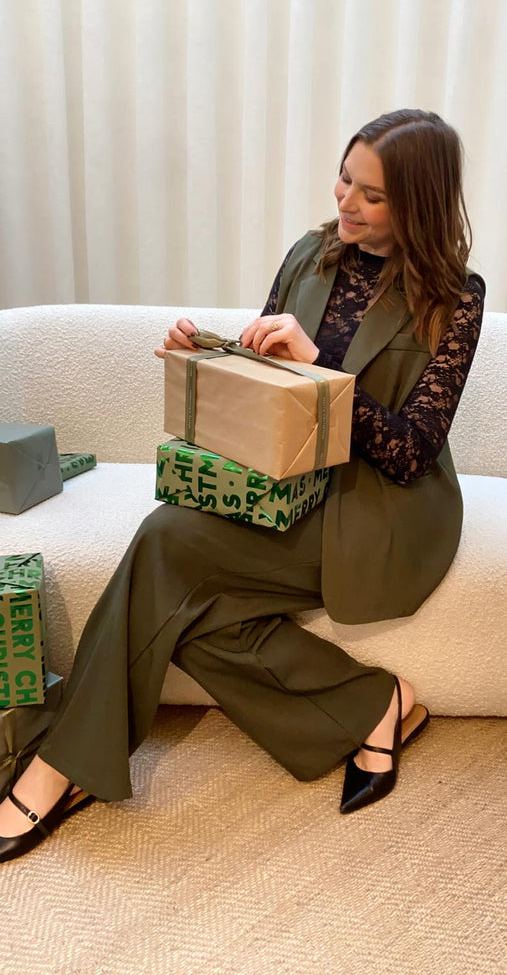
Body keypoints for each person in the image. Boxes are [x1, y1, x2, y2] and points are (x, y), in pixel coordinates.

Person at [0, 108, 485, 864]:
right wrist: (207, 356)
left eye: (372, 195)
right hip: (285, 484)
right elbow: (264, 383)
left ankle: (57, 767)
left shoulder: (456, 298)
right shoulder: (309, 254)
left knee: (167, 562)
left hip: (380, 509)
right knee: (170, 562)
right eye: (344, 179)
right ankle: (372, 702)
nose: (345, 202)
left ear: (418, 204)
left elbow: (411, 452)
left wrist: (319, 369)